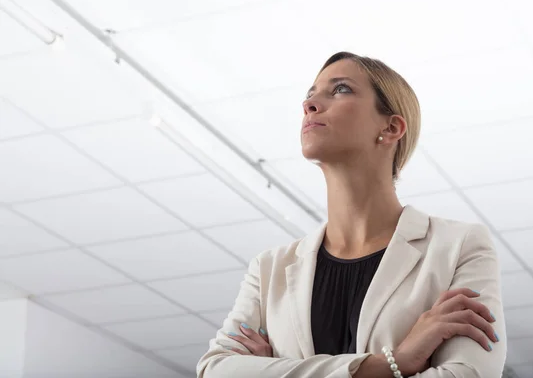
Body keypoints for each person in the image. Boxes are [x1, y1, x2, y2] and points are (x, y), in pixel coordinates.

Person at [196, 52, 507, 377]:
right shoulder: (268, 270)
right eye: (310, 95)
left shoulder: (459, 246)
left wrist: (276, 368)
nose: (311, 104)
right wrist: (393, 363)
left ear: (391, 127)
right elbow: (215, 370)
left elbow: (468, 374)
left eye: (340, 89)